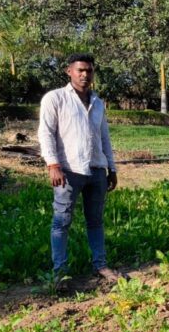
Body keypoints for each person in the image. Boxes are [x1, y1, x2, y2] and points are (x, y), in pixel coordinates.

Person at [38, 53, 120, 285]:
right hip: (68, 170)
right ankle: (60, 272)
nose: (85, 75)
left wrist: (112, 168)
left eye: (89, 71)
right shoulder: (55, 98)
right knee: (61, 222)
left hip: (97, 170)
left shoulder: (98, 103)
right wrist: (53, 165)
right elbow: (45, 133)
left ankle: (100, 265)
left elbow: (104, 138)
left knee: (95, 221)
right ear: (69, 71)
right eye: (80, 70)